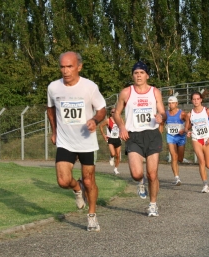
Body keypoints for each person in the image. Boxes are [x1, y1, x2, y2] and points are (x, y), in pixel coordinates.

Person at [47, 51, 106, 232]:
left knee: (89, 181)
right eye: (62, 67)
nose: (65, 71)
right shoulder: (53, 87)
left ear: (79, 67)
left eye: (69, 66)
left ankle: (92, 216)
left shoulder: (89, 87)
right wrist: (55, 131)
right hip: (65, 141)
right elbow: (50, 109)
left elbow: (102, 109)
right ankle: (76, 187)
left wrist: (94, 121)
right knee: (63, 181)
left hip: (86, 141)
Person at [113, 61, 166, 217]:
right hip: (133, 135)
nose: (138, 75)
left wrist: (160, 117)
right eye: (136, 73)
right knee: (136, 174)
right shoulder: (126, 92)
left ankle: (153, 205)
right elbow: (116, 113)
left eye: (142, 73)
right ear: (132, 75)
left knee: (153, 174)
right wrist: (122, 127)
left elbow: (163, 112)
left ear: (147, 75)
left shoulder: (155, 92)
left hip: (152, 134)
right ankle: (140, 182)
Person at [185, 92, 209, 193]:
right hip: (196, 139)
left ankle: (205, 180)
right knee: (201, 161)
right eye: (194, 99)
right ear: (191, 101)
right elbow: (186, 127)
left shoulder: (207, 111)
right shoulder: (189, 114)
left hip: (207, 139)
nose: (196, 101)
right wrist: (188, 132)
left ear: (201, 100)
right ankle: (205, 185)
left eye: (198, 99)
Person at [160, 96, 188, 186]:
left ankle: (180, 163)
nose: (170, 105)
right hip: (170, 136)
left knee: (180, 159)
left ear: (176, 104)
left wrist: (184, 129)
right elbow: (162, 122)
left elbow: (189, 121)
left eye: (172, 103)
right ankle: (177, 177)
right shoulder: (166, 114)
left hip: (180, 137)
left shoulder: (182, 113)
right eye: (169, 103)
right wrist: (160, 129)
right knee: (174, 156)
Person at [100, 108, 122, 175]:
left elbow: (123, 127)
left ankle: (115, 169)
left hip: (118, 139)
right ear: (110, 113)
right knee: (113, 153)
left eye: (115, 112)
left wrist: (122, 133)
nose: (114, 113)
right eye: (112, 112)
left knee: (118, 155)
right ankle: (111, 157)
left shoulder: (120, 120)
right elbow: (101, 126)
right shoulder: (108, 120)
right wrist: (103, 135)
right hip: (110, 139)